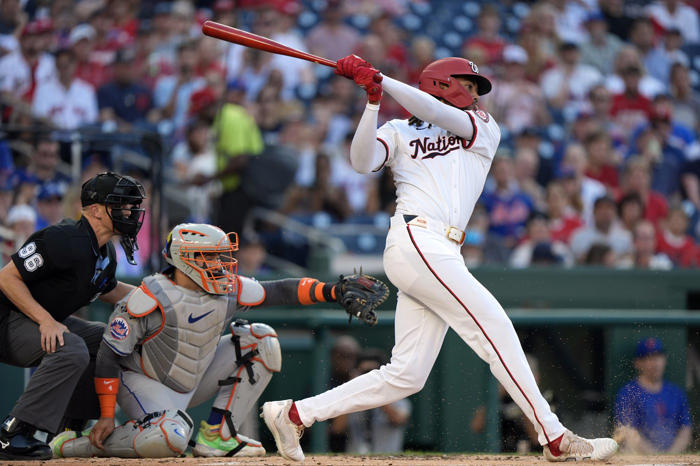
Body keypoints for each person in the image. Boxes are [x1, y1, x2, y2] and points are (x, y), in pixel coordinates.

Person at [260, 55, 618, 462]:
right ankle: (553, 435)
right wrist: (374, 101)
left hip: (441, 250)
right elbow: (361, 163)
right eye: (467, 84)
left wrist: (383, 80)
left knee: (407, 374)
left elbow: (432, 111)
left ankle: (294, 413)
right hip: (417, 238)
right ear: (441, 83)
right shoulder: (398, 130)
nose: (475, 93)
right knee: (494, 325)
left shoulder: (482, 127)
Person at [50, 223, 387, 459]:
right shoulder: (150, 296)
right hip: (145, 382)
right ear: (186, 259)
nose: (222, 264)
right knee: (171, 439)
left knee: (261, 340)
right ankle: (78, 444)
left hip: (194, 378)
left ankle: (217, 435)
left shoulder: (227, 287)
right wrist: (107, 415)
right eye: (211, 257)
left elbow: (278, 290)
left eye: (222, 256)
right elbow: (109, 356)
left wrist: (330, 290)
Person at [0, 172, 146, 460]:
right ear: (95, 211)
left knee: (104, 339)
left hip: (30, 318)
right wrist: (45, 320)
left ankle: (71, 428)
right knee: (71, 348)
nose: (129, 212)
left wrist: (160, 295)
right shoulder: (63, 238)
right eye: (120, 205)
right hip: (6, 318)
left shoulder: (105, 253)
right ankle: (13, 432)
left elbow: (108, 288)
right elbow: (7, 278)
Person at [614, 337, 692, 453]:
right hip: (640, 460)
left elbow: (685, 430)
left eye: (658, 357)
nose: (654, 362)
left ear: (664, 359)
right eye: (648, 358)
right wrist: (656, 458)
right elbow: (628, 433)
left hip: (673, 458)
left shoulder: (676, 393)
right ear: (637, 363)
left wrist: (670, 457)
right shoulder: (628, 393)